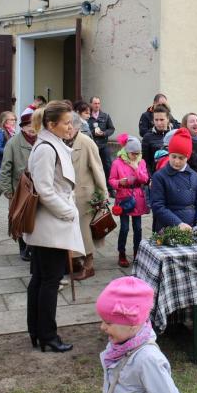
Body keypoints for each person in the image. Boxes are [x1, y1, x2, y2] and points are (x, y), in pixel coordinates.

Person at [25, 101, 84, 353]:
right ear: (51, 124)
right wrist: (68, 212)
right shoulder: (46, 149)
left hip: (51, 225)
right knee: (49, 281)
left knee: (42, 279)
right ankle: (47, 335)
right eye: (66, 123)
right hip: (51, 226)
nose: (70, 127)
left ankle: (38, 332)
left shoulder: (51, 144)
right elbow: (44, 189)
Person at [96, 276, 184, 393]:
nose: (102, 327)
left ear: (133, 324)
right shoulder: (119, 346)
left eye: (108, 323)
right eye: (102, 321)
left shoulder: (147, 359)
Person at [67, 112, 109, 278]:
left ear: (77, 126)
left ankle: (89, 265)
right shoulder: (62, 141)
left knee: (85, 232)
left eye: (70, 126)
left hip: (85, 195)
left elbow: (98, 169)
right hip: (68, 195)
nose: (67, 129)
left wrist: (103, 195)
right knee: (72, 231)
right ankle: (75, 260)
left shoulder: (86, 142)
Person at [150, 128, 197, 233]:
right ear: (169, 154)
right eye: (174, 156)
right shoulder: (160, 176)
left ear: (187, 157)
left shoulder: (194, 176)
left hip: (192, 228)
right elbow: (157, 206)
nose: (176, 161)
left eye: (181, 158)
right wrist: (178, 223)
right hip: (167, 229)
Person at [0, 108, 38, 261]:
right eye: (29, 125)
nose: (32, 128)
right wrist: (7, 190)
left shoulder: (41, 141)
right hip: (19, 188)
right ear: (22, 127)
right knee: (20, 219)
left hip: (38, 188)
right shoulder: (13, 143)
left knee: (36, 219)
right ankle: (23, 248)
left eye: (35, 125)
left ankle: (33, 247)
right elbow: (5, 168)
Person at [109, 134, 149, 268]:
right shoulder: (117, 163)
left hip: (137, 198)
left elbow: (145, 179)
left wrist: (136, 168)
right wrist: (119, 182)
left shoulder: (141, 162)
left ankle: (137, 252)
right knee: (125, 228)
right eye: (133, 154)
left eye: (138, 153)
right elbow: (111, 180)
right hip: (124, 198)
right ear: (127, 151)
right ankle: (122, 253)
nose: (135, 156)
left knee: (138, 228)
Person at [88, 96, 116, 193]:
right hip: (92, 146)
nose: (97, 105)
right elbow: (84, 130)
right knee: (93, 166)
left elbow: (111, 129)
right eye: (95, 103)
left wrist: (104, 133)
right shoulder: (88, 116)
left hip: (103, 145)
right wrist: (93, 132)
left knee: (107, 166)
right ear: (91, 104)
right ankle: (95, 189)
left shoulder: (105, 116)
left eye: (98, 103)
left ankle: (110, 188)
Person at [142, 104, 171, 175]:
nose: (159, 123)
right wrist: (151, 178)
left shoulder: (175, 134)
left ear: (168, 119)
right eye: (156, 120)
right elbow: (145, 162)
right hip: (156, 176)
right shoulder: (147, 137)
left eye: (162, 120)